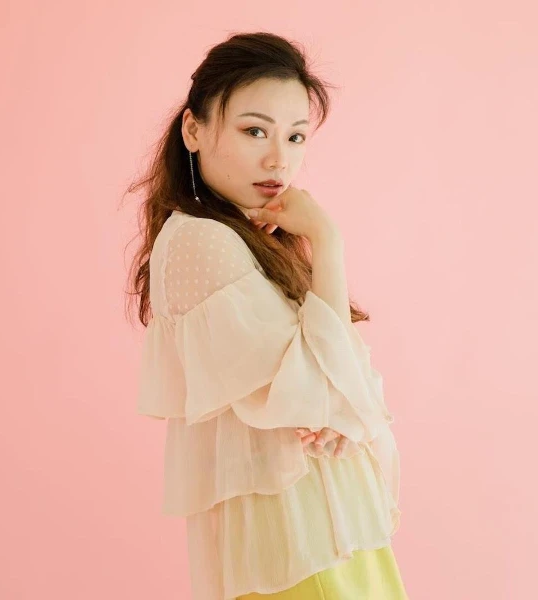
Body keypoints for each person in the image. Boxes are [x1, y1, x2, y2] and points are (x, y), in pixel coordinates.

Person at [125, 31, 406, 600]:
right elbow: (327, 391)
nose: (280, 159)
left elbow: (342, 389)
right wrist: (327, 240)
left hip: (331, 532)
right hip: (299, 546)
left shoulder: (247, 238)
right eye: (255, 131)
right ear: (193, 129)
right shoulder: (200, 242)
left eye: (296, 136)